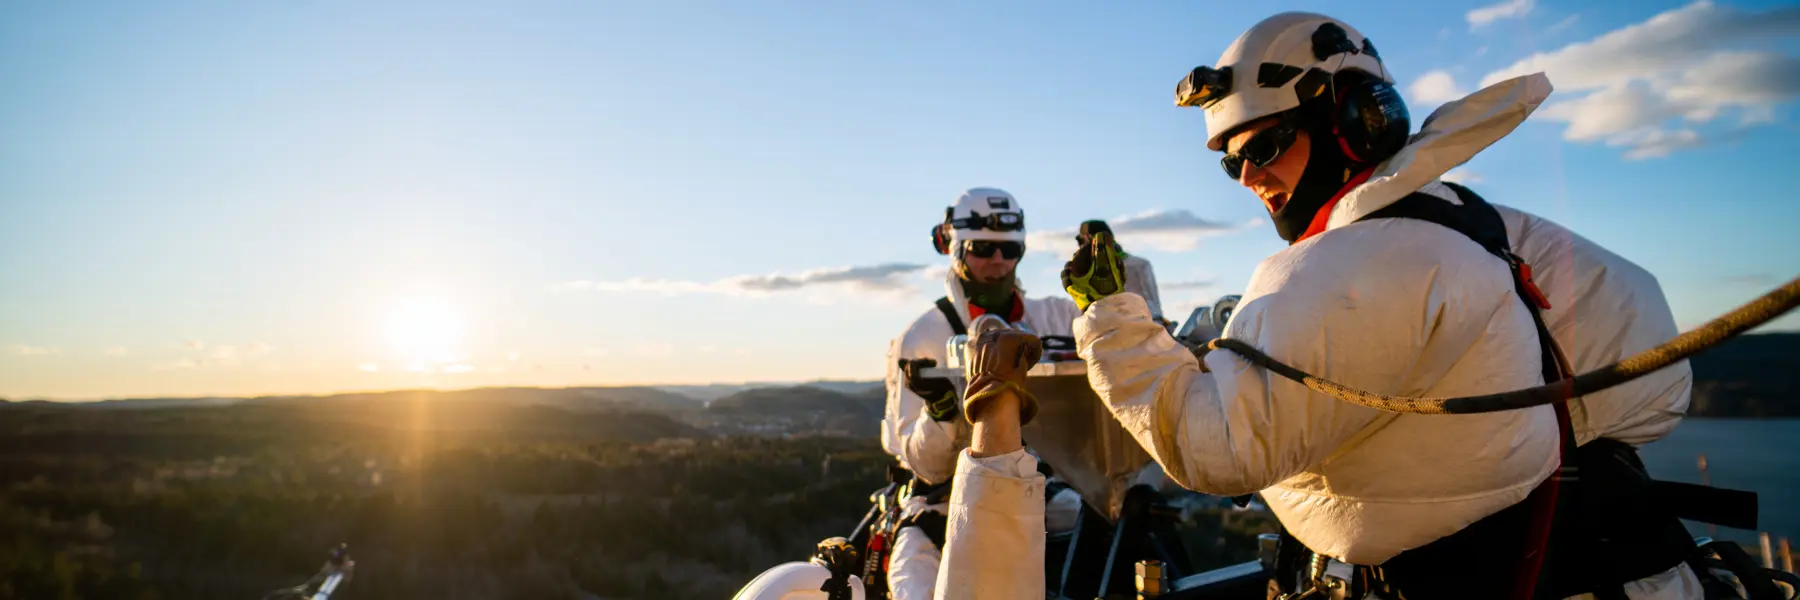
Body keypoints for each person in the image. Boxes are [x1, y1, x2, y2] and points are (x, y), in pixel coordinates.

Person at [945, 12, 1702, 600]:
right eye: (1232, 161)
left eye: (1265, 147)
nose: (1249, 178)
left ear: (1354, 121)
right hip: (1641, 571)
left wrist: (1110, 313)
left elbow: (1214, 449)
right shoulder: (1482, 223)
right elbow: (1658, 379)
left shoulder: (1357, 258)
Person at [879, 187, 1083, 599]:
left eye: (1010, 251)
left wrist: (1107, 296)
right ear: (953, 248)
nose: (998, 261)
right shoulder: (923, 338)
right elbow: (925, 466)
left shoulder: (1056, 316)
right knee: (914, 586)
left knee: (1118, 535)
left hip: (1035, 484)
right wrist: (940, 412)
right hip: (939, 501)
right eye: (982, 248)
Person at [1075, 220, 1166, 326]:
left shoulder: (1085, 272)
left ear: (1088, 237)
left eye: (1080, 240)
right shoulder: (1141, 264)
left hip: (1119, 328)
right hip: (1147, 325)